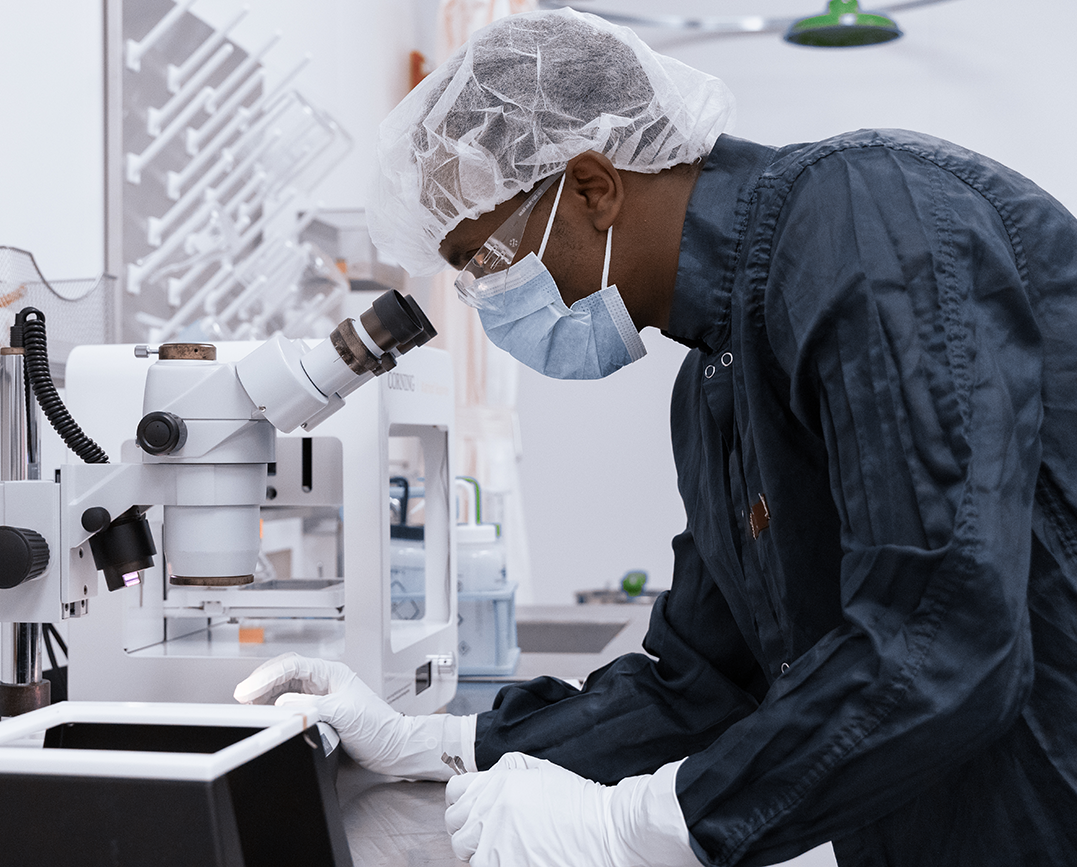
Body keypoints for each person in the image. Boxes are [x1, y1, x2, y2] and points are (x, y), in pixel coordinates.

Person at [234, 7, 1077, 866]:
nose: (487, 305)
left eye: (484, 262)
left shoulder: (862, 221)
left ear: (595, 187)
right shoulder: (715, 381)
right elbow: (700, 681)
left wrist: (640, 825)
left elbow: (944, 638)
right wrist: (431, 741)